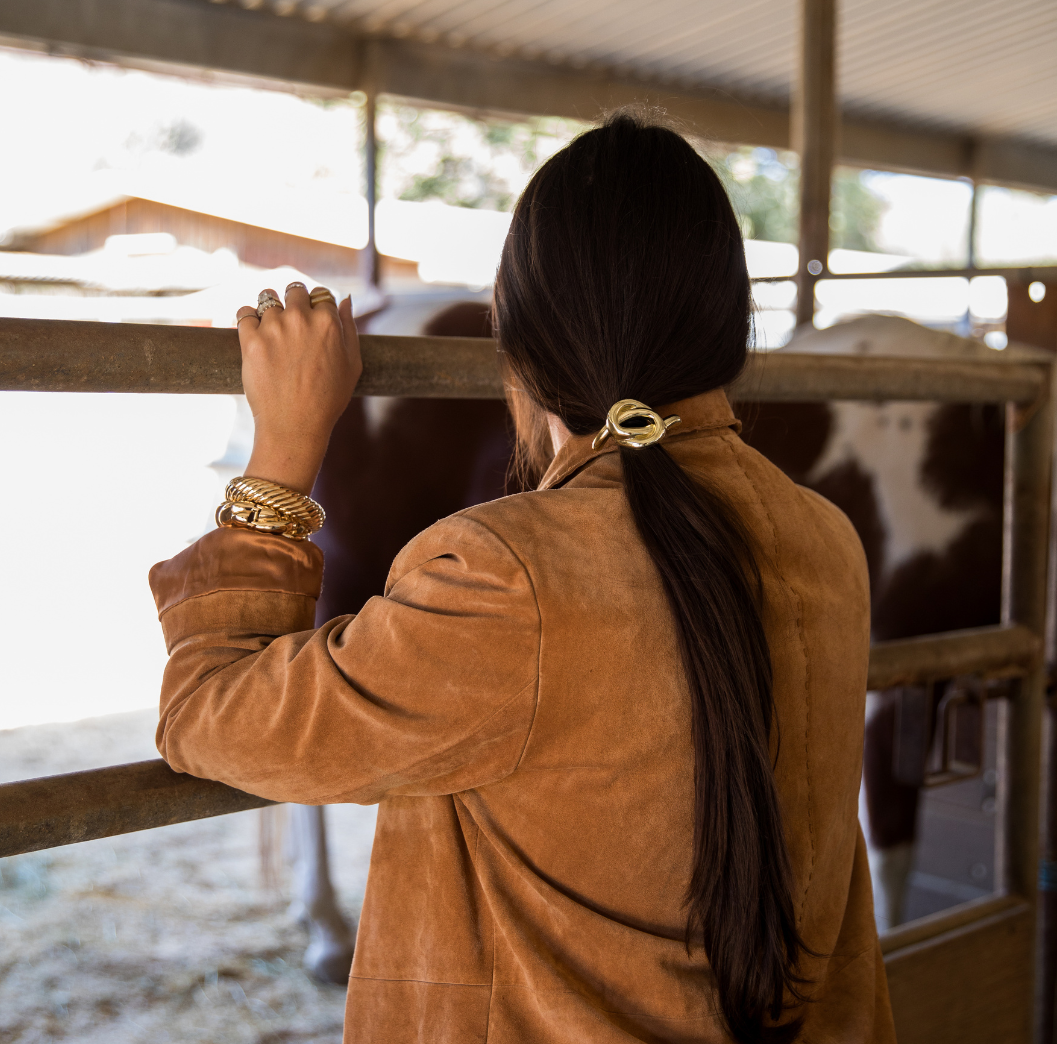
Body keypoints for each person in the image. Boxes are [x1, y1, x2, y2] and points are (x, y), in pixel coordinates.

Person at [150, 111, 894, 1044]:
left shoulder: (507, 576)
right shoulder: (825, 538)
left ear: (525, 349)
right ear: (726, 330)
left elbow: (211, 715)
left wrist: (282, 458)